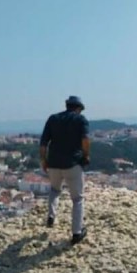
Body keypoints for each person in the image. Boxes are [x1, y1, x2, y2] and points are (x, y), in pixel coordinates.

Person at [40, 95, 90, 245]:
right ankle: (76, 233)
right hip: (73, 164)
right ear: (79, 108)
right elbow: (86, 140)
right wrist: (86, 156)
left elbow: (43, 144)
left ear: (67, 105)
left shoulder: (53, 118)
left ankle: (51, 216)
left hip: (53, 163)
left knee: (55, 190)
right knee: (77, 199)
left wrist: (44, 160)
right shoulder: (81, 120)